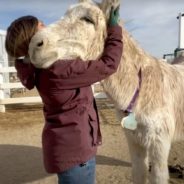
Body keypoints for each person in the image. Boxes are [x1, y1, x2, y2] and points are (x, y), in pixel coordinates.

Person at [5, 6, 122, 184]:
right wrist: (114, 30)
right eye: (42, 25)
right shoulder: (57, 70)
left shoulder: (37, 68)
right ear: (35, 39)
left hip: (65, 149)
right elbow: (108, 65)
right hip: (76, 155)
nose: (48, 27)